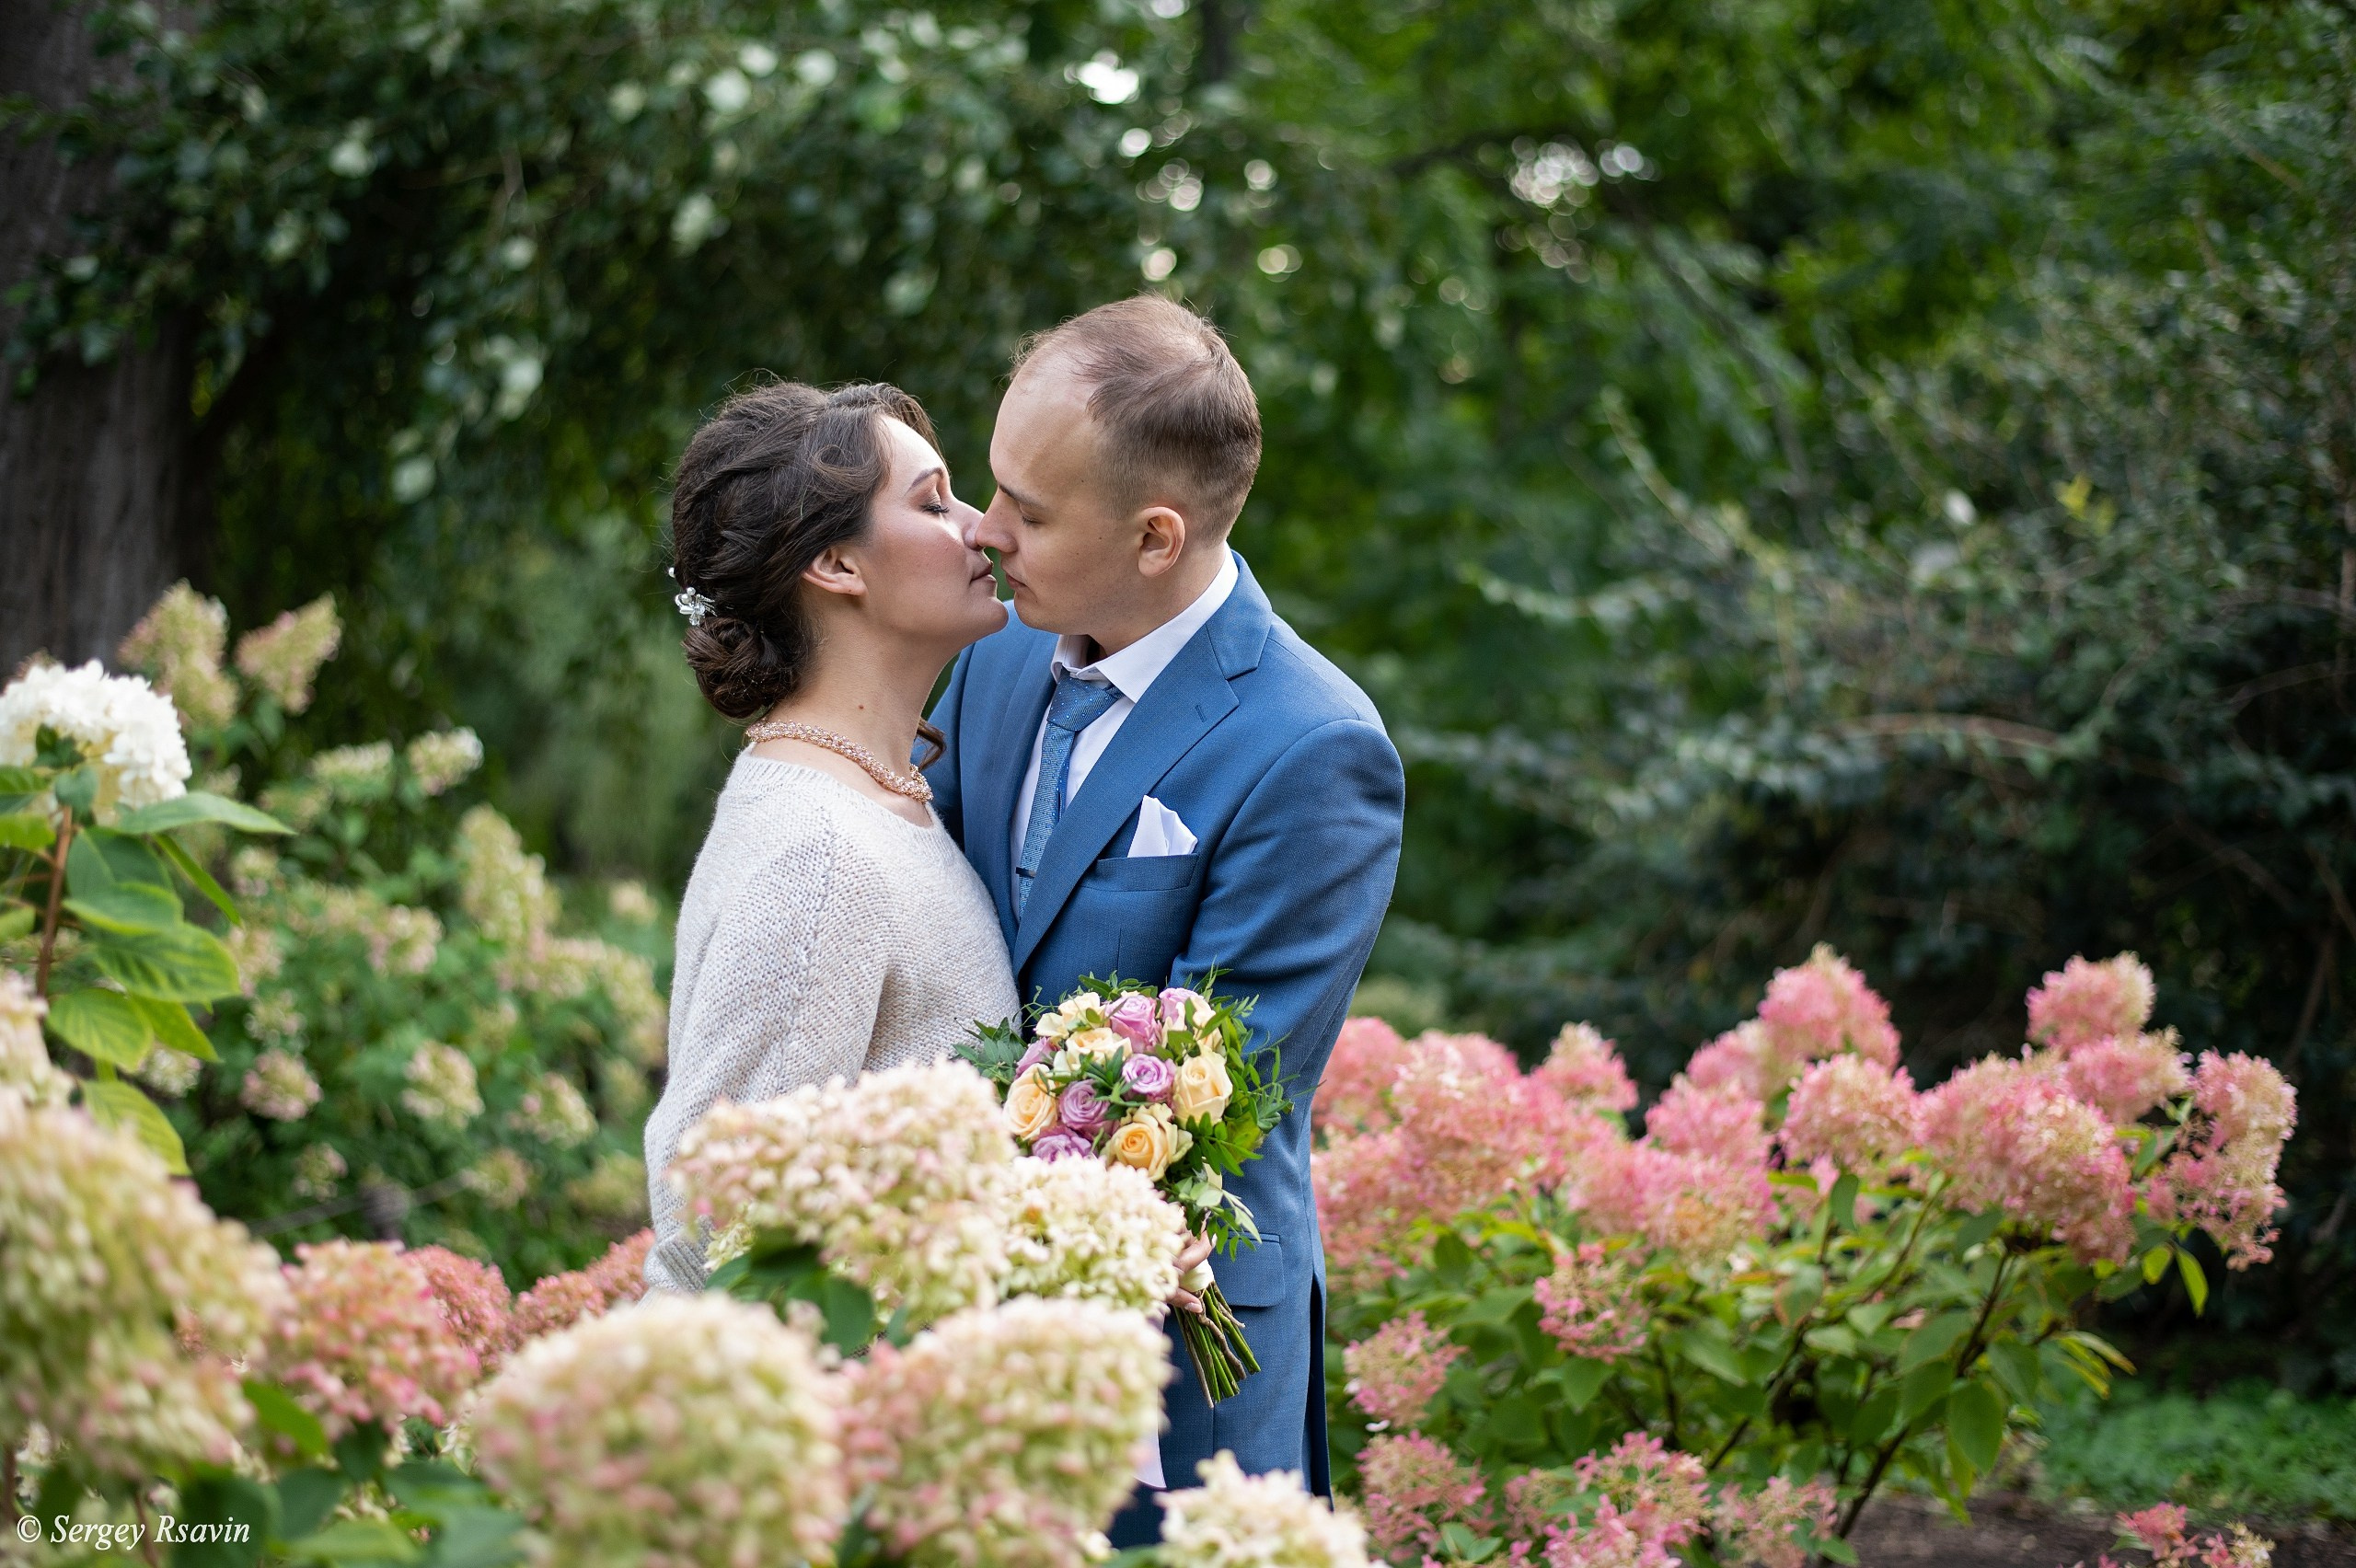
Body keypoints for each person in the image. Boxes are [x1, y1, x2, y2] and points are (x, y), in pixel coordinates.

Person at [925, 294, 1407, 1533]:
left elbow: (1214, 1092)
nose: (984, 533)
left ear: (1154, 538)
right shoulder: (990, 660)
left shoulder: (1314, 748)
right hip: (952, 1328)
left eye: (1026, 511)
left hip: (1172, 1350)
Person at [641, 379, 1022, 1293]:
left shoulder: (883, 802)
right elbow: (716, 1218)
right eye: (932, 503)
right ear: (838, 566)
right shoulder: (821, 856)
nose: (981, 528)